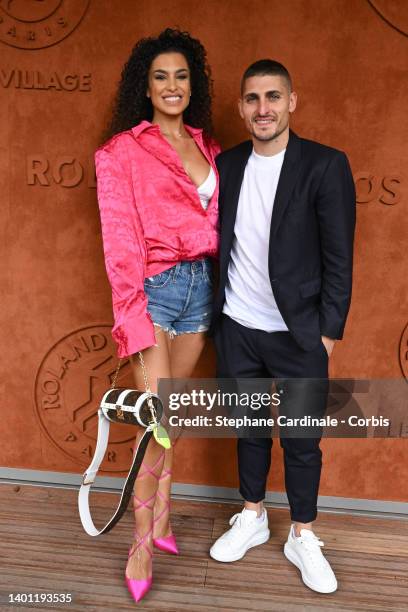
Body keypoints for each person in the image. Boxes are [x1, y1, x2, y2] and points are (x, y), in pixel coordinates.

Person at [209, 59, 356, 594]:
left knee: (301, 440)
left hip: (299, 335)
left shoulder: (324, 165)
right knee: (248, 430)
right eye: (252, 99)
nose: (263, 108)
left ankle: (302, 532)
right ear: (241, 107)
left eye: (273, 97)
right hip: (237, 328)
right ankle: (252, 515)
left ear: (292, 101)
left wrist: (328, 332)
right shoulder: (226, 165)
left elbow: (340, 256)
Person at [95, 28, 220, 602]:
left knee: (171, 420)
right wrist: (133, 315)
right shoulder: (121, 152)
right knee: (156, 427)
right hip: (155, 290)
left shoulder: (209, 146)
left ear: (193, 84)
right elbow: (119, 244)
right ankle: (141, 543)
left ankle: (164, 520)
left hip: (204, 292)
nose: (173, 86)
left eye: (181, 75)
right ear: (144, 88)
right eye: (160, 77)